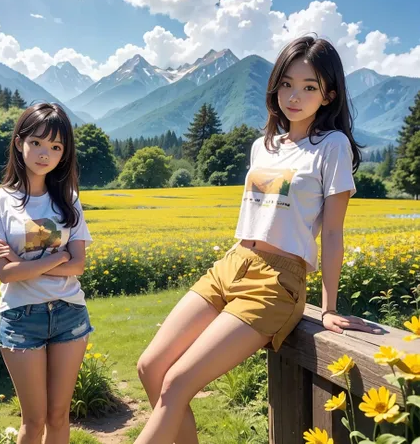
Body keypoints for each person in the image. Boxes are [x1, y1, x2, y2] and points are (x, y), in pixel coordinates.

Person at [134, 36, 381, 444]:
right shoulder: (262, 146)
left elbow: (334, 231)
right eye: (286, 83)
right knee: (150, 368)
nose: (294, 96)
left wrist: (329, 307)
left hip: (276, 284)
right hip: (232, 263)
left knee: (177, 382)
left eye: (309, 87)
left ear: (329, 94)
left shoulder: (331, 147)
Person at [0, 102, 93, 444]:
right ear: (19, 142)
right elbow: (7, 274)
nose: (45, 154)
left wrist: (26, 264)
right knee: (34, 420)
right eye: (38, 143)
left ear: (64, 153)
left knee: (59, 417)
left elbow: (79, 265)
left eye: (56, 147)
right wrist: (58, 256)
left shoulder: (69, 199)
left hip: (69, 312)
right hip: (20, 318)